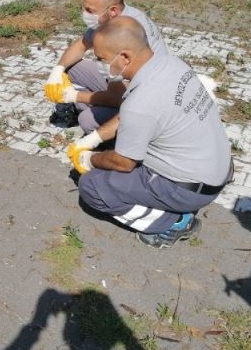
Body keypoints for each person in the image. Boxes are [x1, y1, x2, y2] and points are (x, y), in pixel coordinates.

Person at [66, 16, 232, 248]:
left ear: (124, 57)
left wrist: (90, 159)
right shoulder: (171, 64)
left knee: (92, 186)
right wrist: (94, 138)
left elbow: (125, 162)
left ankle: (174, 221)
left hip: (189, 188)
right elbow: (129, 115)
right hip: (215, 167)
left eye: (101, 59)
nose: (99, 64)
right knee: (110, 141)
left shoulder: (141, 104)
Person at [44, 0, 168, 133]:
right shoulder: (112, 19)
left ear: (113, 11)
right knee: (73, 68)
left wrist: (74, 96)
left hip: (142, 98)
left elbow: (117, 96)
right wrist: (57, 70)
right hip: (121, 83)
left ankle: (125, 137)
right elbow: (80, 45)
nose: (85, 14)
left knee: (87, 120)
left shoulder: (127, 32)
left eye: (90, 11)